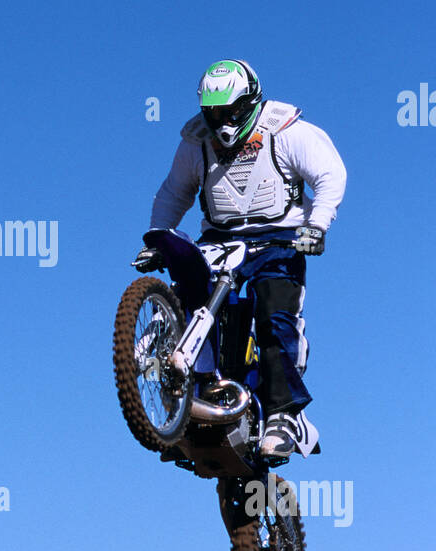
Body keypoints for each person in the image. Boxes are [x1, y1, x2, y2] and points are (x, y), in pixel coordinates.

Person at [136, 60, 346, 458]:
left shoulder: (285, 130)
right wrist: (157, 239)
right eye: (213, 112)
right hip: (220, 236)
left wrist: (317, 225)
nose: (222, 122)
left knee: (274, 313)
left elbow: (329, 174)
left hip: (281, 235)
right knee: (189, 292)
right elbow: (174, 193)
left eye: (230, 111)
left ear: (250, 102)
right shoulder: (195, 142)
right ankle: (189, 396)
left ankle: (283, 417)